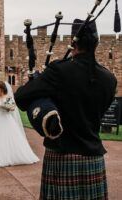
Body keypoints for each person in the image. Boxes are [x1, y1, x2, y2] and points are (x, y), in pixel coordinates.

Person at [14, 19, 117, 200]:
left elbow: (21, 98)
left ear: (72, 42)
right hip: (94, 158)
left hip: (62, 158)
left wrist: (39, 84)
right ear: (97, 42)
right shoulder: (109, 79)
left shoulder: (59, 71)